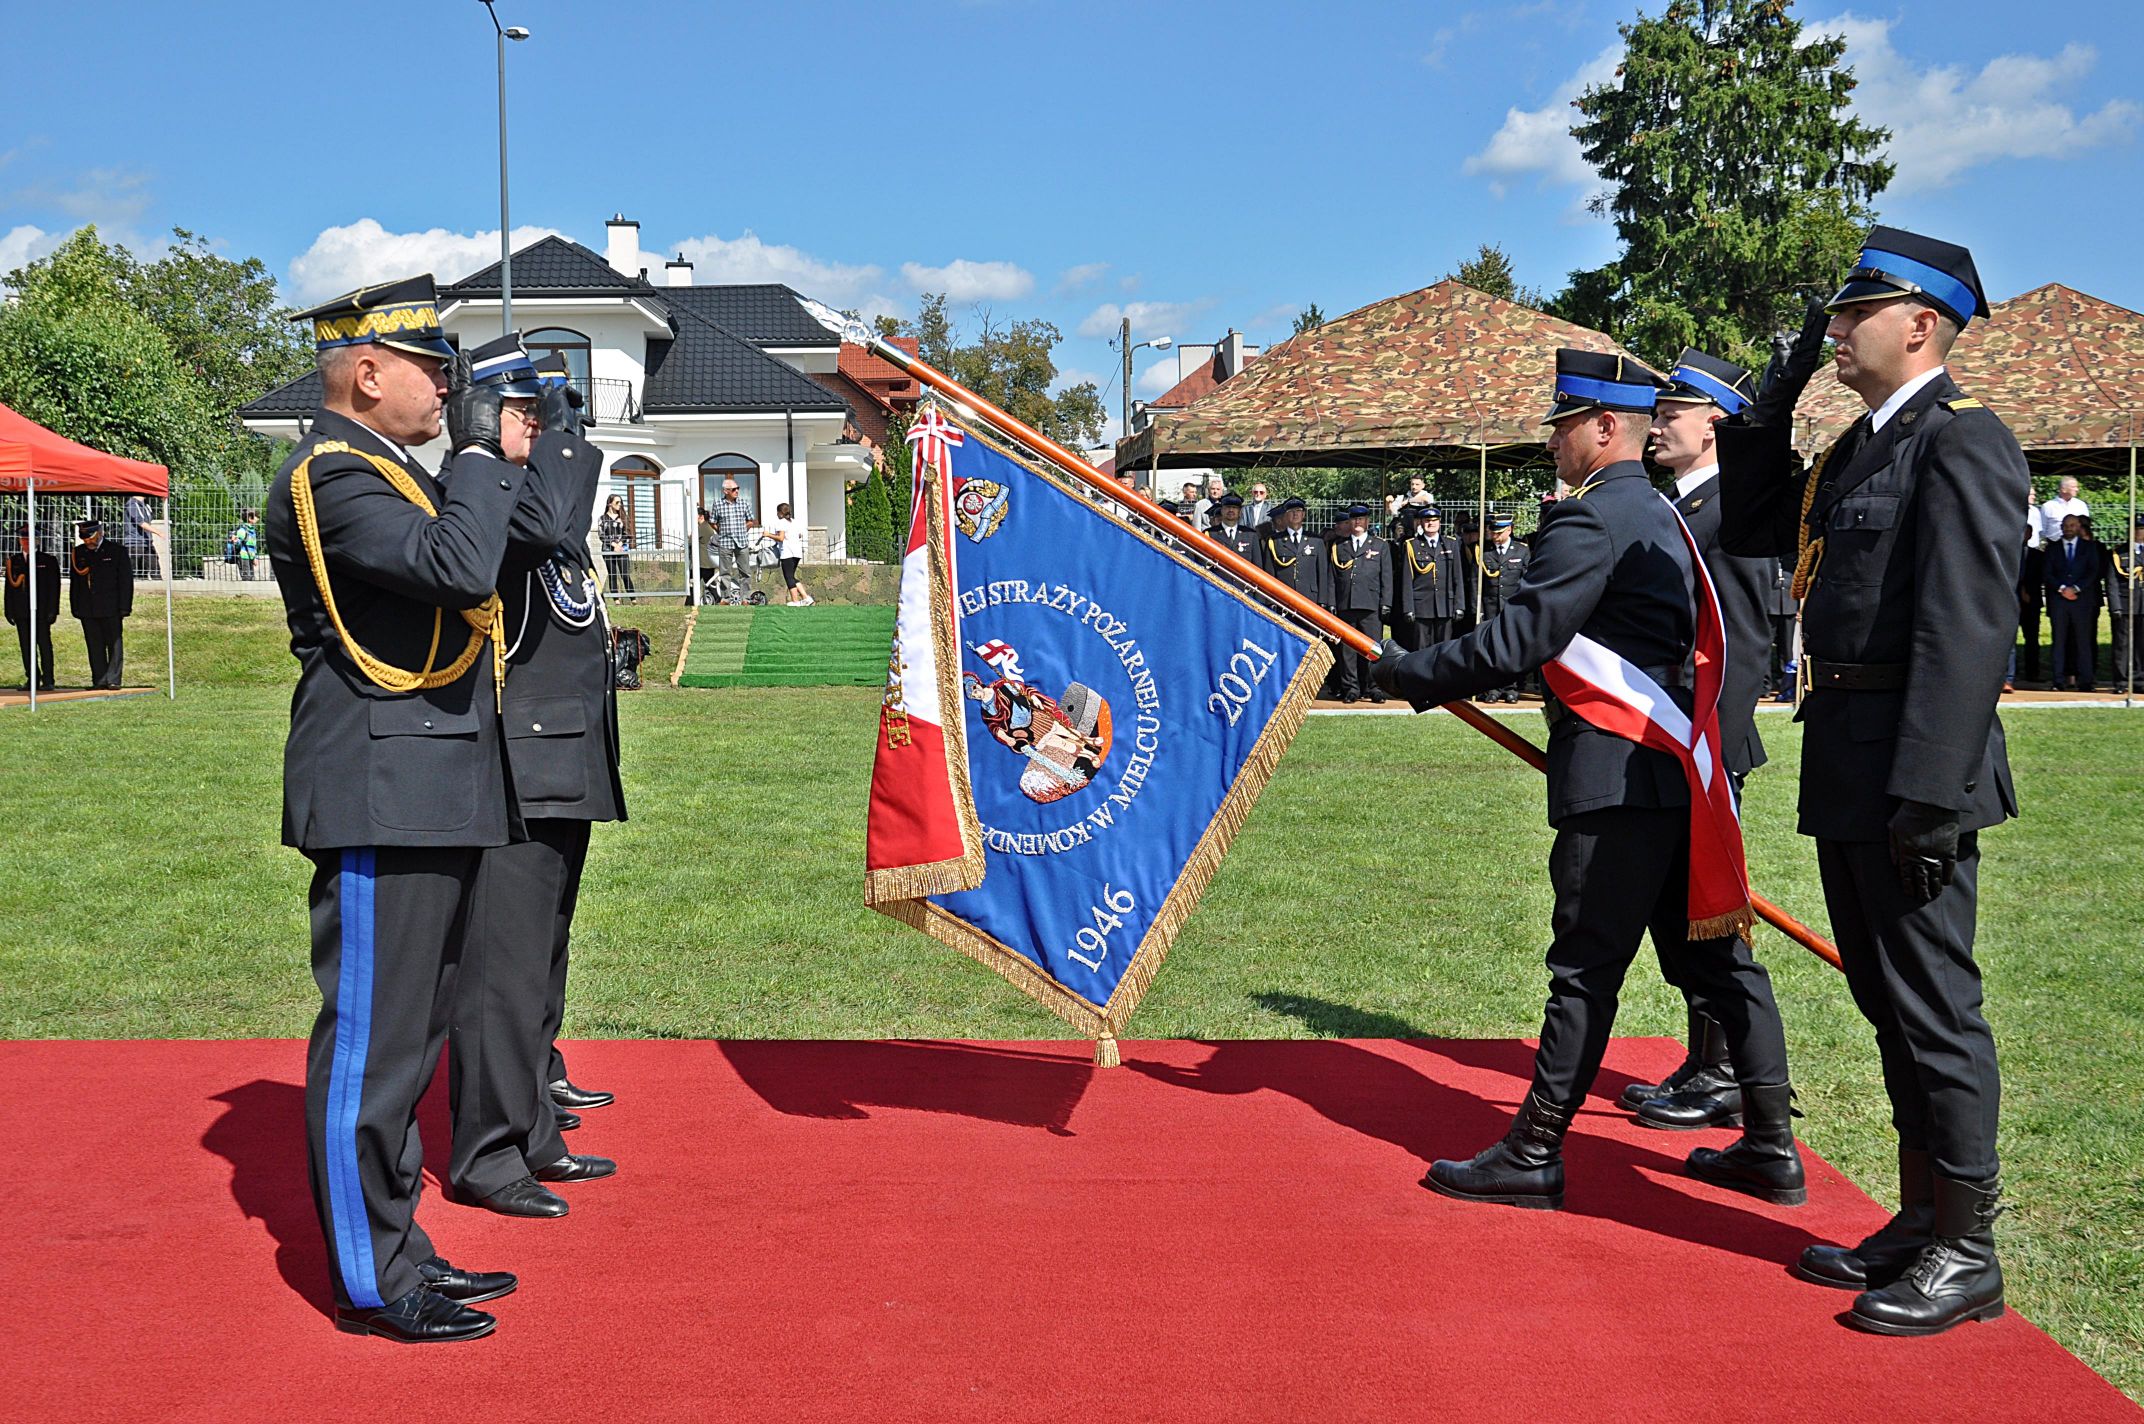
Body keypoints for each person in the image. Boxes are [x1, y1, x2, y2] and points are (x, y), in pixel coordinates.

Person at [1374, 348, 1801, 1216]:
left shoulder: (1592, 519)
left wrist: (1401, 672)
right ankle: (1769, 1144)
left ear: (1605, 427)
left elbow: (1516, 641)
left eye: (1564, 427)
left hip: (1616, 780)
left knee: (1584, 969)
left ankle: (1534, 1150)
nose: (1555, 445)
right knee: (1718, 964)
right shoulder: (1660, 514)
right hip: (1673, 772)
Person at [1717, 226, 2025, 1336]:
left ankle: (1967, 1246)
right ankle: (1916, 1214)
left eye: (1852, 316)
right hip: (1850, 756)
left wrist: (1930, 794)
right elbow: (1750, 517)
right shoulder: (1860, 446)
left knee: (1936, 1009)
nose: (1835, 330)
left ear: (1920, 325)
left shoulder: (1960, 443)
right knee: (1885, 1002)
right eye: (1833, 318)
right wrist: (1780, 384)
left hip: (1910, 769)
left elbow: (1966, 628)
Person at [262, 275, 544, 1343]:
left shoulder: (390, 472)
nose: (448, 384)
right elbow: (458, 563)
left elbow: (512, 555)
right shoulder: (330, 474)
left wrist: (511, 455)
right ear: (365, 371)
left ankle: (400, 1239)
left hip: (430, 783)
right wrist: (472, 457)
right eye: (432, 366)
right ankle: (371, 1277)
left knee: (413, 1042)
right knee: (373, 1049)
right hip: (381, 788)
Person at [445, 334, 619, 1221]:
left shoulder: (527, 489)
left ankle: (533, 1126)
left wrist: (552, 433)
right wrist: (551, 439)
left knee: (540, 964)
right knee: (499, 975)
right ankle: (485, 1150)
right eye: (523, 412)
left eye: (540, 411)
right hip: (516, 763)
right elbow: (553, 527)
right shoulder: (491, 497)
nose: (542, 427)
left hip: (562, 758)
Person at [1620, 347, 1784, 1131]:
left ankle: (1726, 1073)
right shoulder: (1684, 506)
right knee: (1677, 914)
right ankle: (1706, 1060)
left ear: (1716, 421)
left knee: (1710, 914)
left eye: (1672, 413)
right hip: (1674, 741)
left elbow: (1743, 642)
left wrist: (1706, 743)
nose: (1656, 427)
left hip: (1705, 746)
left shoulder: (1731, 510)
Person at [1325, 502, 1393, 703]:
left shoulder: (1379, 545)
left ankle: (1373, 687)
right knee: (1347, 652)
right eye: (1354, 519)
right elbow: (1332, 578)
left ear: (1367, 521)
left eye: (1361, 519)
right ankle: (1351, 688)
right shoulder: (1339, 546)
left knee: (1373, 650)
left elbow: (1386, 578)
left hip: (1370, 605)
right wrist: (1331, 603)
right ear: (1350, 522)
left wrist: (1386, 603)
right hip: (1345, 604)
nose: (1357, 522)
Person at [68, 518, 133, 689]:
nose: (87, 540)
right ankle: (99, 679)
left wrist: (125, 606)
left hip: (111, 606)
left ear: (100, 532)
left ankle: (113, 679)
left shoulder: (116, 551)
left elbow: (125, 581)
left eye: (90, 536)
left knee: (114, 643)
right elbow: (75, 582)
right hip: (87, 607)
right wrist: (75, 606)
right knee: (94, 645)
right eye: (84, 537)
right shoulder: (79, 553)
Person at [2044, 513, 2102, 692]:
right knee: (2059, 641)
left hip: (2081, 601)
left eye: (2072, 525)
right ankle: (2058, 680)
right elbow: (2047, 572)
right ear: (2061, 527)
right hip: (2059, 600)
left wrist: (2076, 588)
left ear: (2079, 527)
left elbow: (2093, 571)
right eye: (2066, 525)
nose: (2069, 528)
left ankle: (2085, 680)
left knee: (2083, 641)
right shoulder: (2052, 548)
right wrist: (2062, 588)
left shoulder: (2089, 547)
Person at [1395, 505, 1466, 651]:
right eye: (1427, 520)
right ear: (1421, 522)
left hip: (1445, 605)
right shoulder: (1412, 545)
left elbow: (1457, 577)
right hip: (1421, 606)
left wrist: (1459, 605)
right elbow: (1407, 580)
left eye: (1434, 520)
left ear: (1439, 522)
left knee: (1444, 648)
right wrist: (1408, 608)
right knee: (1421, 648)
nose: (1431, 523)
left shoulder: (1451, 544)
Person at [1473, 514, 1528, 701]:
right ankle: (1493, 688)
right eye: (1493, 532)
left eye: (1499, 532)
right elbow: (1476, 582)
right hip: (1489, 607)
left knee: (1512, 647)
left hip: (1512, 607)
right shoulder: (1484, 552)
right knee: (1492, 647)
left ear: (1510, 530)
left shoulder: (1521, 551)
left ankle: (1510, 688)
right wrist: (1477, 607)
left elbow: (1527, 580)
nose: (1495, 536)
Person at [6, 529, 61, 690]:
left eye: (29, 539)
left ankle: (48, 679)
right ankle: (32, 678)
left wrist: (53, 610)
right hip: (21, 611)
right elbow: (9, 589)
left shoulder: (47, 560)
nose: (25, 542)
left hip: (41, 611)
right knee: (26, 646)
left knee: (44, 644)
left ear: (37, 541)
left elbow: (54, 588)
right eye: (23, 539)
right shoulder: (14, 561)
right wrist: (9, 610)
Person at [1257, 496, 1330, 608]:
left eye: (1298, 511)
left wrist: (1323, 601)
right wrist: (1270, 600)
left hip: (1310, 599)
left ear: (1304, 514)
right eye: (1291, 511)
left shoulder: (1316, 541)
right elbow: (1269, 573)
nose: (1295, 514)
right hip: (1283, 599)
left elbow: (1323, 573)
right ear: (1285, 516)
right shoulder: (1275, 541)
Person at [703, 478, 756, 603]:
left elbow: (751, 520)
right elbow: (713, 521)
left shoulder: (744, 503)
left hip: (741, 542)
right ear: (726, 491)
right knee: (725, 572)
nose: (737, 491)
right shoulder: (718, 504)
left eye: (738, 488)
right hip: (725, 542)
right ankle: (725, 598)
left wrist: (744, 530)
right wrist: (721, 532)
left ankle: (745, 598)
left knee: (745, 572)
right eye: (734, 489)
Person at [2108, 512, 2142, 693]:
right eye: (2137, 529)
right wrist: (2115, 606)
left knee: (2141, 646)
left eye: (2142, 529)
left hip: (2143, 606)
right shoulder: (2119, 553)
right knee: (2122, 647)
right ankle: (2121, 682)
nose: (2139, 533)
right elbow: (2112, 582)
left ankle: (2140, 680)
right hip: (2126, 605)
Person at [769, 501, 813, 605]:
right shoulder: (795, 522)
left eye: (777, 512)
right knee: (792, 576)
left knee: (788, 577)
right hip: (797, 552)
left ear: (780, 513)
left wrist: (768, 535)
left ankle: (795, 601)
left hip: (787, 553)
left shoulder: (781, 522)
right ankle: (806, 598)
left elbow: (780, 537)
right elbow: (799, 535)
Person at [598, 493, 635, 595]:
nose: (620, 505)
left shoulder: (623, 517)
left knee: (625, 574)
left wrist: (620, 545)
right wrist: (613, 545)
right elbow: (601, 535)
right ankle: (616, 600)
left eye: (621, 502)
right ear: (610, 504)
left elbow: (626, 534)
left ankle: (633, 598)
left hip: (622, 550)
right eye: (617, 502)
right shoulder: (603, 518)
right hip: (608, 550)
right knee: (612, 574)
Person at [2036, 475, 2088, 543]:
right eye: (2073, 487)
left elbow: (2086, 527)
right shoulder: (2048, 506)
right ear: (2063, 489)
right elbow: (2042, 530)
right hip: (2055, 546)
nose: (2077, 489)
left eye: (2077, 487)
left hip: (2078, 546)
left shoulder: (2081, 505)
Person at [1206, 492, 1258, 559]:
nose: (1231, 510)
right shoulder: (1210, 534)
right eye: (1227, 507)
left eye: (1234, 507)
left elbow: (1257, 566)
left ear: (1240, 512)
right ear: (1222, 510)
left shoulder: (1251, 535)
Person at [123, 492, 162, 582]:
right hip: (135, 543)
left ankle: (161, 591)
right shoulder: (132, 504)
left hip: (147, 542)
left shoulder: (146, 505)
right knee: (135, 573)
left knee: (155, 569)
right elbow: (140, 522)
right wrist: (159, 532)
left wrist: (164, 502)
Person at [226, 508, 262, 581]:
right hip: (243, 556)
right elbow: (238, 543)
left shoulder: (251, 530)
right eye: (256, 516)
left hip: (250, 556)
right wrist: (235, 541)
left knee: (251, 576)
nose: (258, 518)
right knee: (246, 577)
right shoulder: (243, 530)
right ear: (250, 518)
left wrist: (254, 557)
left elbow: (253, 546)